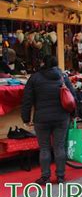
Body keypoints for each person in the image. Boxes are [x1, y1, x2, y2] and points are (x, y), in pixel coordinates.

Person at [21, 55, 75, 185]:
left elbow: (27, 100)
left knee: (44, 148)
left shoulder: (35, 78)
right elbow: (72, 96)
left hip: (42, 118)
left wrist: (26, 118)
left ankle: (45, 177)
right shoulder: (63, 76)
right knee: (59, 147)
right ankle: (61, 176)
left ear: (43, 63)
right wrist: (73, 114)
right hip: (61, 117)